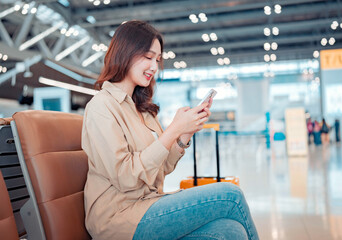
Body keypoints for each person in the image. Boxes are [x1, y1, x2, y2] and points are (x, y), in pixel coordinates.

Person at [81, 20, 259, 240]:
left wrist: (183, 134)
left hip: (149, 206)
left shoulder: (143, 110)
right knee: (231, 196)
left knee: (232, 232)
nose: (154, 67)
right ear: (125, 53)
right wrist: (173, 130)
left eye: (157, 59)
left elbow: (161, 168)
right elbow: (126, 178)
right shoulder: (101, 107)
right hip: (119, 219)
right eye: (147, 57)